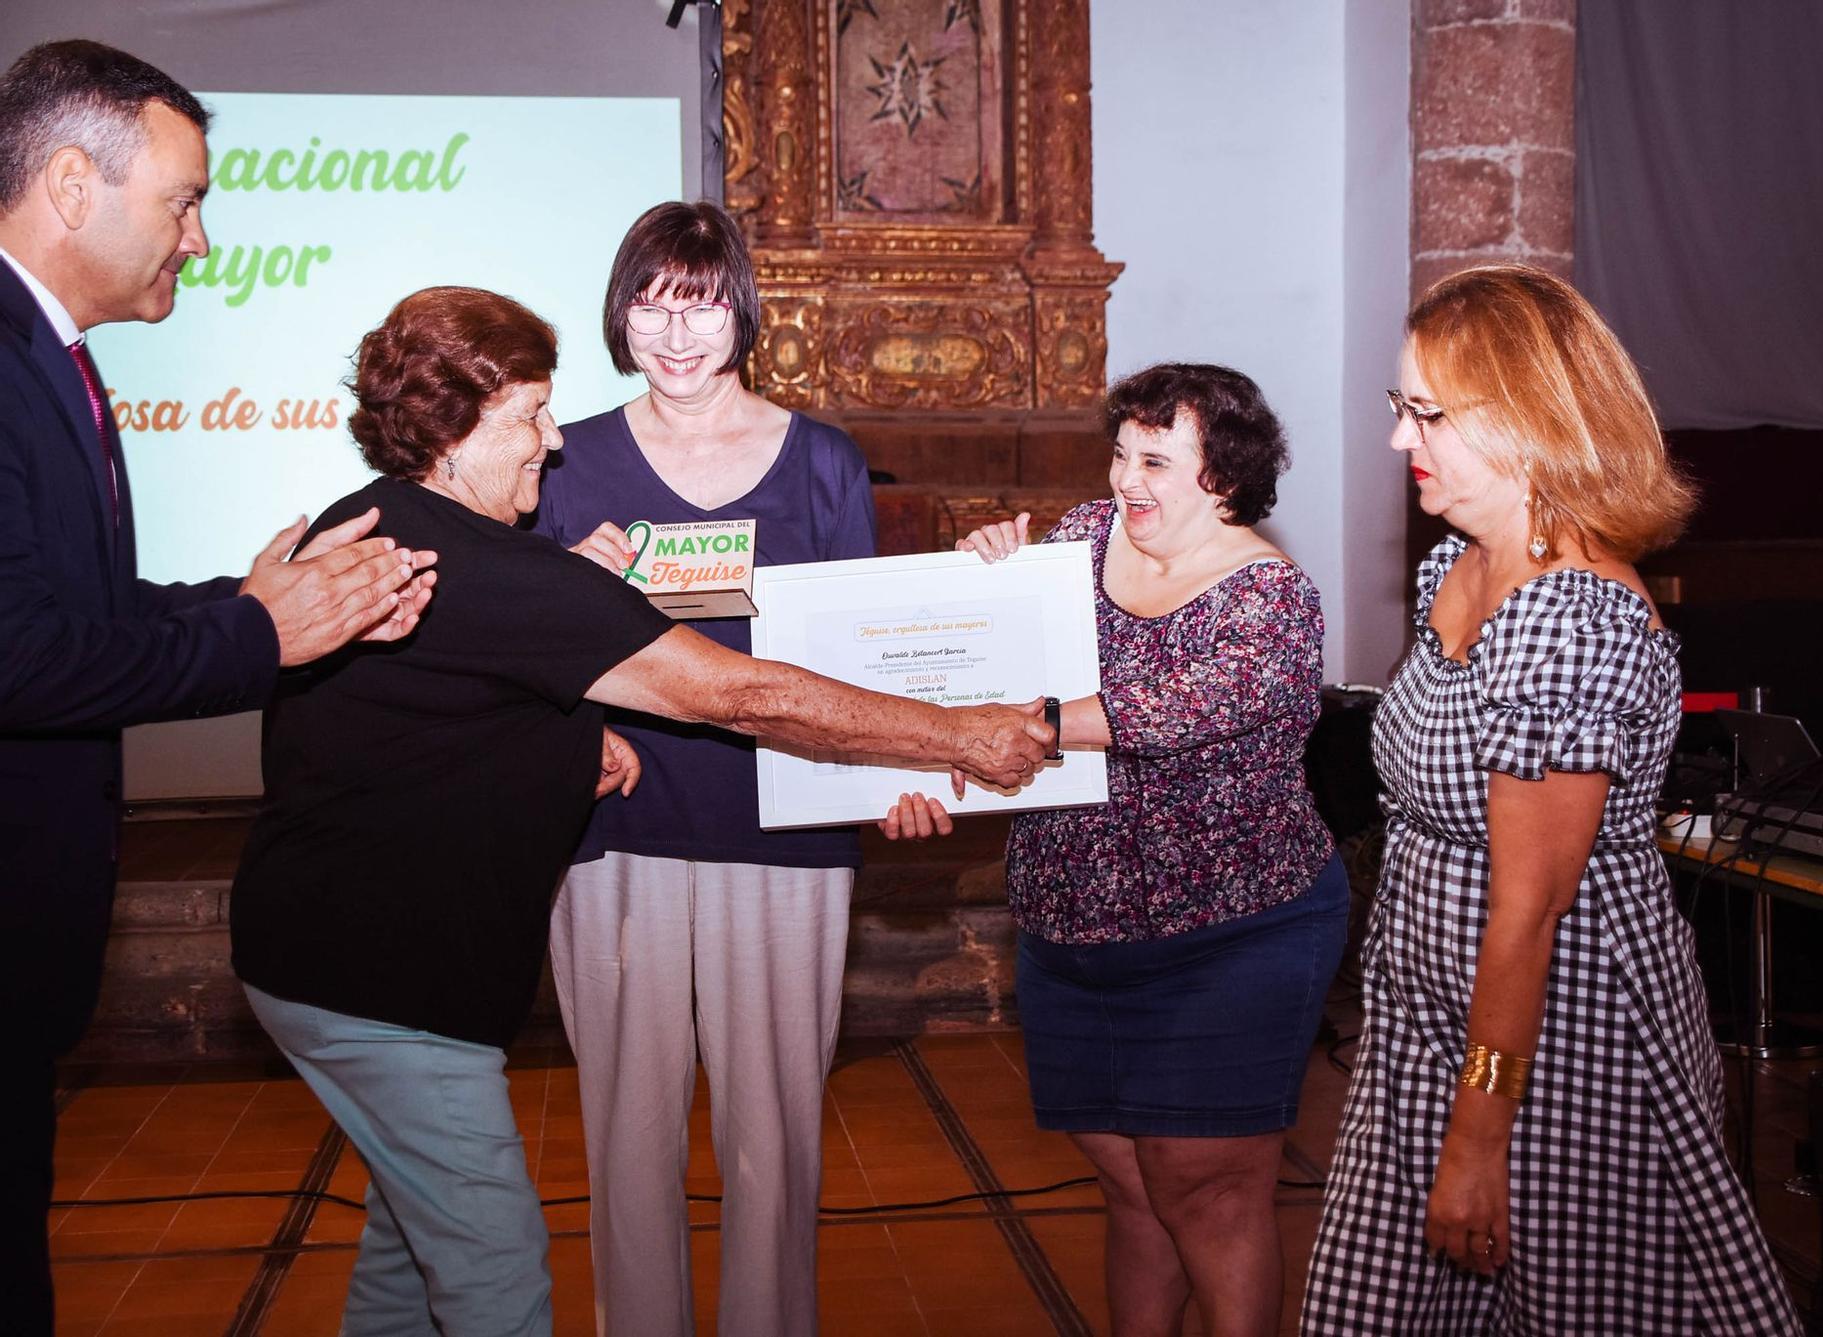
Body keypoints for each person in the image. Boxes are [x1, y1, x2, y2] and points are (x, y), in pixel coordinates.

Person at [227, 284, 1052, 1337]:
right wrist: (963, 732)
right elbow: (740, 693)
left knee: (408, 1269)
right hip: (385, 985)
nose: (550, 440)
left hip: (330, 958)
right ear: (451, 426)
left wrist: (569, 737)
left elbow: (422, 714)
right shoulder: (498, 569)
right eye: (527, 414)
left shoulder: (370, 518)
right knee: (496, 1283)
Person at [0, 41, 435, 1331]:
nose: (201, 238)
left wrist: (250, 606)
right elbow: (20, 655)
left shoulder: (51, 355)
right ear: (73, 184)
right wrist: (258, 639)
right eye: (184, 199)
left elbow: (73, 615)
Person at [1301, 265, 1800, 1334]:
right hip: (1425, 1019)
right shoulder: (1455, 567)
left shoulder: (1567, 618)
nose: (1400, 440)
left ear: (1529, 419)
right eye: (1401, 408)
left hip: (1564, 1045)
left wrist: (1477, 1141)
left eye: (1425, 413)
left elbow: (1525, 913)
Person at [887, 363, 1348, 1337]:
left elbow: (1165, 709)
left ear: (1221, 477)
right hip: (1073, 926)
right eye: (1119, 454)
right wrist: (987, 582)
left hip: (1230, 934)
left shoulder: (1271, 597)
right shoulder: (1079, 539)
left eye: (1154, 460)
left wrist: (1006, 724)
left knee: (1208, 1191)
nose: (1125, 480)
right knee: (1131, 1183)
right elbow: (989, 656)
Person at [529, 201, 874, 1337]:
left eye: (704, 304)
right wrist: (560, 594)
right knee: (626, 1134)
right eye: (651, 304)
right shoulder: (564, 459)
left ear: (743, 312)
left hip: (783, 830)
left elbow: (859, 653)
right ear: (619, 314)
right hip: (613, 835)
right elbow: (515, 658)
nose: (677, 335)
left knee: (772, 1137)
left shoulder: (822, 459)